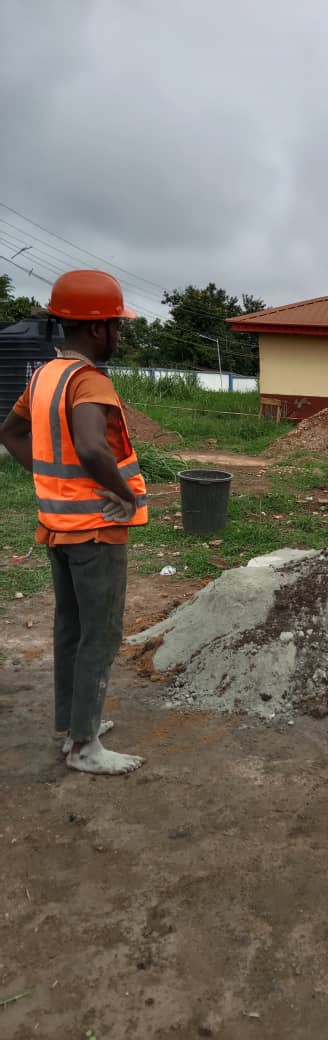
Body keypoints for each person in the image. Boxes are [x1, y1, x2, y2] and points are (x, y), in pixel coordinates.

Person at [0, 270, 148, 775]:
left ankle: (73, 724)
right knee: (100, 634)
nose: (119, 334)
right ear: (97, 328)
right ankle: (84, 746)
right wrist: (124, 495)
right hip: (95, 530)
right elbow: (90, 446)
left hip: (58, 526)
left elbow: (10, 432)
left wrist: (49, 479)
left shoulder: (45, 376)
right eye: (116, 325)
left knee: (71, 629)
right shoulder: (89, 381)